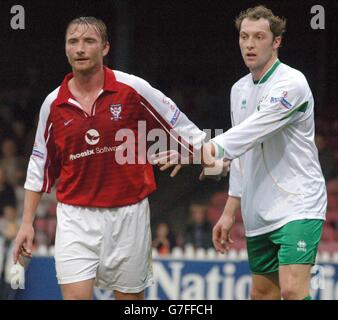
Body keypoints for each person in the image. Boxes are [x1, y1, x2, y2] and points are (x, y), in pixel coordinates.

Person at [13, 16, 206, 300]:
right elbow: (39, 164)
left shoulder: (133, 89)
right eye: (73, 42)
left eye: (89, 41)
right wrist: (26, 223)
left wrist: (202, 152)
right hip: (75, 216)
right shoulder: (53, 104)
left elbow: (181, 124)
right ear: (66, 50)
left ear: (105, 48)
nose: (80, 49)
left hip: (129, 214)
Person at [156, 5, 327, 300]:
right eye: (244, 36)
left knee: (291, 290)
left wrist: (200, 150)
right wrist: (229, 211)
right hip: (257, 209)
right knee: (262, 294)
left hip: (299, 203)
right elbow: (242, 152)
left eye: (259, 37)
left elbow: (252, 131)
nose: (249, 44)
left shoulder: (292, 84)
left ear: (276, 42)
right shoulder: (238, 90)